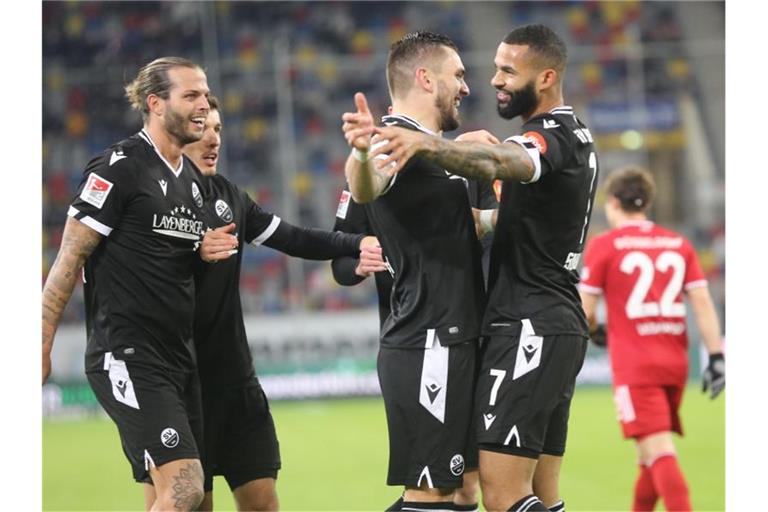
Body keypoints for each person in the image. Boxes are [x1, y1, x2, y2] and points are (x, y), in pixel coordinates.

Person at [371, 24, 599, 512]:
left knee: (503, 496)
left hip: (529, 328)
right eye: (493, 67)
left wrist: (432, 146)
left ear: (546, 78)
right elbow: (492, 219)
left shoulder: (554, 136)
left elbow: (507, 162)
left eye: (507, 71)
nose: (491, 80)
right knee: (540, 493)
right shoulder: (568, 134)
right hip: (548, 325)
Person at [142, 95, 374, 512]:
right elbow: (132, 276)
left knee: (263, 503)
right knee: (190, 504)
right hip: (174, 385)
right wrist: (193, 249)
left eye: (218, 130)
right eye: (203, 129)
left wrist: (358, 242)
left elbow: (296, 238)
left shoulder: (230, 197)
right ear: (178, 132)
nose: (213, 139)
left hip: (235, 382)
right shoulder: (149, 200)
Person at [42, 57, 213, 511]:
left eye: (206, 95)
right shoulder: (118, 168)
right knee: (185, 487)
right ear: (156, 104)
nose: (204, 105)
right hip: (128, 354)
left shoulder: (192, 183)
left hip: (178, 358)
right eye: (191, 95)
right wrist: (38, 347)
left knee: (191, 499)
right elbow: (68, 259)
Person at [341, 31, 486, 511]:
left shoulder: (436, 151)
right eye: (458, 75)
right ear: (426, 78)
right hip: (429, 341)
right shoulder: (391, 140)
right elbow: (366, 186)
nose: (466, 87)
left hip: (456, 337)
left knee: (464, 489)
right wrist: (362, 152)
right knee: (430, 495)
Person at [331, 180, 497, 512]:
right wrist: (359, 264)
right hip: (420, 344)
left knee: (466, 484)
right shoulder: (369, 176)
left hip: (475, 337)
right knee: (431, 485)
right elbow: (341, 265)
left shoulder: (466, 168)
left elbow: (495, 239)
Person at [578, 166, 725, 512]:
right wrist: (716, 356)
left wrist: (597, 331)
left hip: (636, 365)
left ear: (614, 203)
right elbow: (702, 303)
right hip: (675, 362)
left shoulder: (605, 246)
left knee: (659, 454)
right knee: (648, 456)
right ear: (647, 203)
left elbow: (585, 311)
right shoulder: (678, 243)